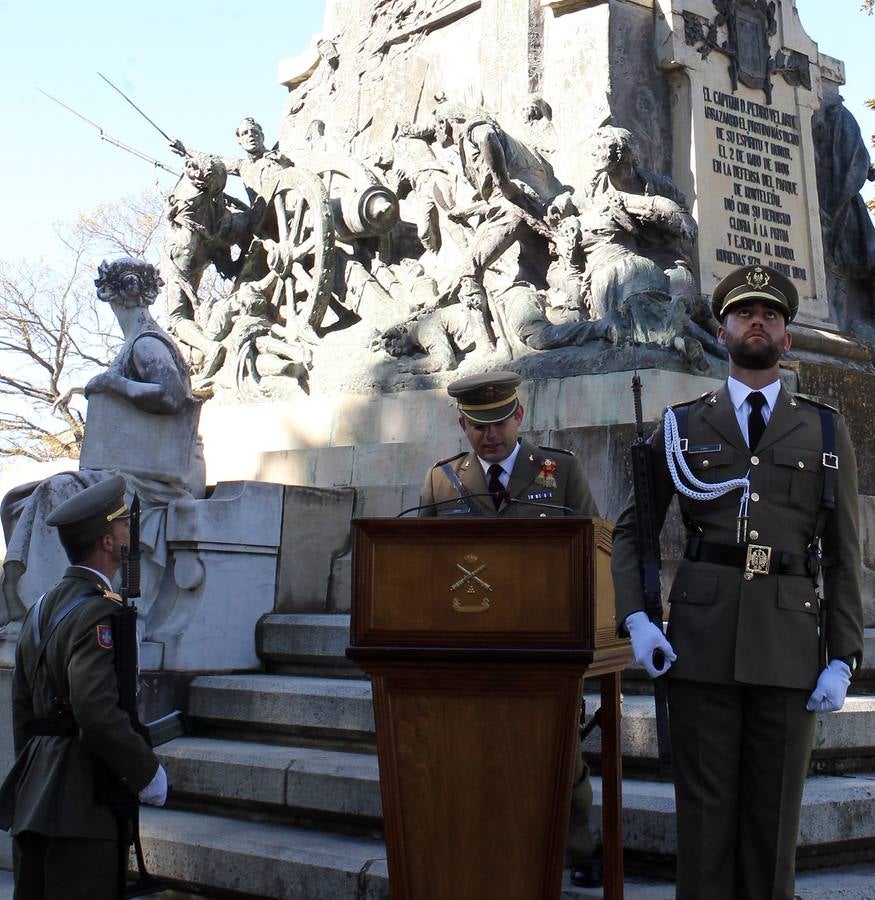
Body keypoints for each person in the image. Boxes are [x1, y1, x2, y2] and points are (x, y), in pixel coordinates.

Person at [610, 264, 864, 900]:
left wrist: (844, 658)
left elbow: (843, 553)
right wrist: (638, 620)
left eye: (771, 315)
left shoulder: (825, 430)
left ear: (786, 338)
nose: (758, 322)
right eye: (745, 313)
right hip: (702, 642)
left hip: (788, 646)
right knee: (704, 822)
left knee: (773, 825)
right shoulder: (682, 424)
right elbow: (633, 531)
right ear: (722, 332)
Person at [418, 371, 602, 886]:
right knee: (472, 752)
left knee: (559, 753)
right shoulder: (441, 481)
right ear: (462, 425)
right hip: (469, 644)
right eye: (478, 426)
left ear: (519, 416)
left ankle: (579, 846)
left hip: (546, 639)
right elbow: (421, 564)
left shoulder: (558, 472)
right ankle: (485, 843)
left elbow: (593, 545)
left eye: (500, 421)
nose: (490, 434)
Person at [0, 475, 168, 899]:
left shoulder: (40, 608)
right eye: (123, 525)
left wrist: (37, 776)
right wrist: (145, 771)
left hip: (33, 796)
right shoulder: (97, 613)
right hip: (81, 807)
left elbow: (23, 711)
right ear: (108, 542)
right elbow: (95, 711)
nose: (130, 532)